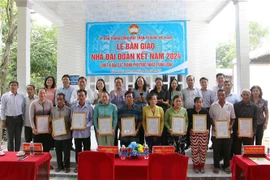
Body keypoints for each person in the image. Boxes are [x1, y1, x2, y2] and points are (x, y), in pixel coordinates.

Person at [209, 89, 235, 174]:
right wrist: (213, 125)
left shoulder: (230, 105)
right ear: (217, 96)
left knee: (227, 150)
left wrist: (231, 126)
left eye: (222, 95)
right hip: (216, 132)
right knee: (216, 150)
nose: (221, 97)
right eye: (219, 95)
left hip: (227, 132)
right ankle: (216, 166)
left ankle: (226, 166)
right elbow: (211, 118)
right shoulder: (213, 106)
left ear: (225, 96)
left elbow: (233, 118)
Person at [70, 89, 93, 173]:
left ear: (85, 97)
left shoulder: (89, 108)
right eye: (79, 95)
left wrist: (86, 126)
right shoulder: (73, 107)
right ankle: (78, 165)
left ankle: (87, 164)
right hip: (76, 133)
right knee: (78, 150)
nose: (81, 97)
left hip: (86, 133)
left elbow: (91, 120)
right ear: (77, 96)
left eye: (82, 95)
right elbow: (71, 118)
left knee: (87, 150)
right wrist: (73, 125)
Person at [188, 97, 211, 173]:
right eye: (197, 102)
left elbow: (208, 122)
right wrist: (190, 129)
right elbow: (188, 122)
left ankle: (202, 166)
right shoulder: (190, 112)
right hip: (194, 134)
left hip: (203, 134)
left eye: (200, 102)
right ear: (194, 103)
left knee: (203, 151)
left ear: (202, 103)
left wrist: (207, 129)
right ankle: (196, 166)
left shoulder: (205, 111)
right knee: (195, 151)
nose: (198, 104)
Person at [1, 81, 25, 151]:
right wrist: (3, 120)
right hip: (9, 119)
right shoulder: (5, 96)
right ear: (9, 87)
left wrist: (23, 119)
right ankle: (10, 154)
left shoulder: (21, 96)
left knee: (18, 137)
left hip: (19, 118)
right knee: (10, 137)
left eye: (15, 85)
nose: (13, 86)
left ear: (18, 87)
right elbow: (2, 108)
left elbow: (23, 108)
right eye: (11, 85)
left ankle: (17, 152)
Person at [51, 93, 71, 173]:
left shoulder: (68, 110)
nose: (59, 101)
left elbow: (70, 121)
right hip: (56, 135)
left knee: (66, 152)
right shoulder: (53, 110)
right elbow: (51, 121)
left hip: (66, 134)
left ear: (64, 100)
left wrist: (67, 129)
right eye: (57, 99)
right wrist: (52, 131)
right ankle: (59, 166)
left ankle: (67, 166)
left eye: (61, 99)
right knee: (58, 151)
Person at [233, 89, 257, 155]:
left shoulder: (254, 107)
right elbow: (234, 118)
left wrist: (253, 131)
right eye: (244, 95)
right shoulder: (236, 105)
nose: (246, 96)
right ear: (241, 95)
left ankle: (247, 165)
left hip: (249, 133)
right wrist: (236, 130)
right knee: (237, 151)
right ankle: (238, 164)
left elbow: (255, 120)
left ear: (250, 96)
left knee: (248, 151)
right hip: (238, 132)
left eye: (247, 95)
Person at [29, 88, 54, 153]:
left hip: (47, 130)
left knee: (47, 148)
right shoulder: (33, 104)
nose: (42, 94)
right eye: (40, 93)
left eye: (43, 93)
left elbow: (52, 116)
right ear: (37, 94)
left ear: (45, 94)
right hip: (37, 130)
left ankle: (47, 163)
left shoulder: (49, 103)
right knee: (37, 149)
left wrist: (50, 127)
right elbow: (31, 117)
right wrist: (33, 128)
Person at [181, 75, 202, 149]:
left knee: (195, 126)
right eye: (188, 80)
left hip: (195, 110)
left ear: (194, 81)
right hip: (186, 110)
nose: (190, 81)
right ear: (186, 81)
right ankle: (188, 143)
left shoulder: (197, 90)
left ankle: (195, 143)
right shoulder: (183, 90)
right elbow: (182, 100)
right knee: (187, 126)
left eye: (191, 80)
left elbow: (200, 99)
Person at [150, 77, 169, 145]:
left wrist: (162, 101)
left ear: (162, 83)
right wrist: (155, 101)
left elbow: (168, 102)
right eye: (157, 82)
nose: (158, 83)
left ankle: (163, 143)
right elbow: (150, 101)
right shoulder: (152, 91)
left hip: (163, 110)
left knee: (162, 126)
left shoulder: (166, 91)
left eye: (160, 82)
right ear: (155, 83)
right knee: (155, 125)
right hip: (154, 110)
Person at [109, 77, 127, 146]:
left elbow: (127, 103)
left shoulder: (125, 92)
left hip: (123, 115)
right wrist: (114, 97)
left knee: (124, 132)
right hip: (114, 115)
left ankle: (124, 149)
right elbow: (109, 103)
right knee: (114, 133)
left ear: (122, 83)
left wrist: (122, 97)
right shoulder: (111, 92)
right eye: (116, 82)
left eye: (119, 82)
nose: (118, 84)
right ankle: (115, 150)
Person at [133, 76, 149, 144]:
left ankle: (143, 144)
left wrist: (144, 100)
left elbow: (149, 100)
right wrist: (137, 100)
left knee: (144, 127)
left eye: (141, 81)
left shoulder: (147, 90)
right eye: (138, 81)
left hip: (145, 110)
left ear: (143, 82)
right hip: (136, 110)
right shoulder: (133, 90)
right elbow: (132, 100)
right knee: (137, 126)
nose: (139, 82)